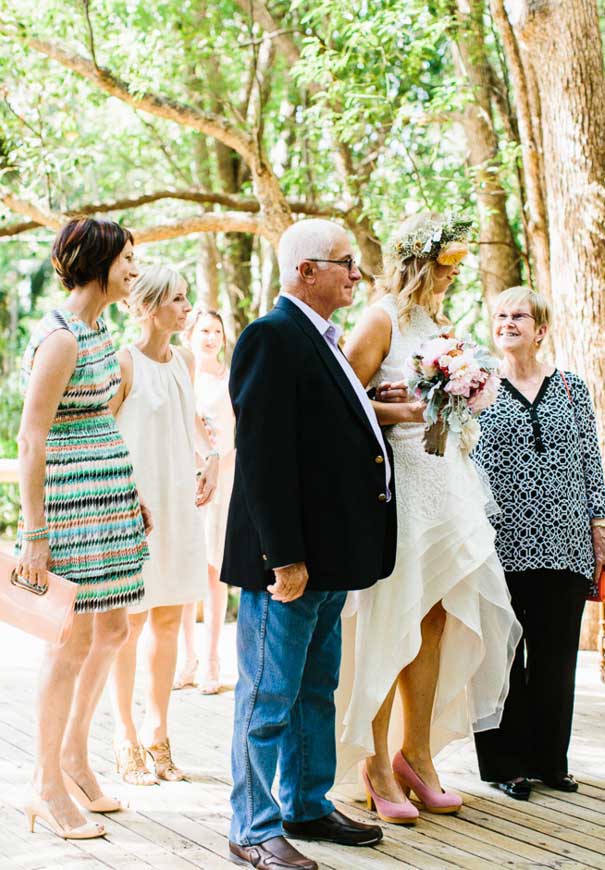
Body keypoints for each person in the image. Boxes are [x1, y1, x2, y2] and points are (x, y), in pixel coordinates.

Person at [222, 218, 397, 870]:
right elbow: (263, 458)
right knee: (267, 697)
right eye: (344, 263)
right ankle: (253, 826)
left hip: (330, 559)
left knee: (314, 690)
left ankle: (305, 804)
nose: (355, 274)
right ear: (305, 272)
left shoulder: (322, 340)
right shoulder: (270, 337)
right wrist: (283, 559)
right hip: (288, 564)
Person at [336, 213, 521, 822]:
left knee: (438, 616)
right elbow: (348, 403)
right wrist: (408, 411)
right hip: (402, 486)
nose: (453, 278)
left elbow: (446, 405)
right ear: (421, 262)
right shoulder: (380, 316)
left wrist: (461, 398)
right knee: (393, 616)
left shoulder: (440, 323)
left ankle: (417, 755)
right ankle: (375, 761)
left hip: (448, 480)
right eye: (447, 267)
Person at [15, 218, 150, 839]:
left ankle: (74, 754)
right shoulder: (61, 337)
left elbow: (102, 421)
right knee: (67, 642)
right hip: (68, 506)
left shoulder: (101, 330)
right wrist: (33, 534)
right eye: (128, 258)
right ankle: (45, 785)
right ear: (99, 263)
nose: (135, 268)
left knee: (115, 627)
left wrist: (132, 494)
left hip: (109, 500)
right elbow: (31, 437)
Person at [472, 285, 605, 799]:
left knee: (554, 659)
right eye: (500, 315)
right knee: (503, 655)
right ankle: (507, 765)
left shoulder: (572, 388)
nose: (507, 322)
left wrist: (599, 529)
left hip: (565, 545)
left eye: (519, 316)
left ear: (541, 329)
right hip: (498, 543)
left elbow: (592, 464)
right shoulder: (474, 386)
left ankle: (551, 761)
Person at [109, 265, 217, 784]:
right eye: (177, 299)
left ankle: (159, 732)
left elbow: (191, 419)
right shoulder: (123, 363)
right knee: (128, 622)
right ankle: (124, 736)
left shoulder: (185, 361)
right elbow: (102, 435)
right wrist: (119, 496)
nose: (187, 307)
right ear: (149, 307)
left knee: (170, 619)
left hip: (178, 503)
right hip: (136, 508)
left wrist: (211, 456)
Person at [174, 308, 235, 695]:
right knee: (184, 577)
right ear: (189, 334)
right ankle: (187, 659)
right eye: (203, 330)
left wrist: (217, 462)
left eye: (216, 331)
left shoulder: (231, 381)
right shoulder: (179, 375)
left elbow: (238, 434)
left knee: (215, 574)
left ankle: (212, 660)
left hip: (224, 483)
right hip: (183, 483)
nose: (210, 337)